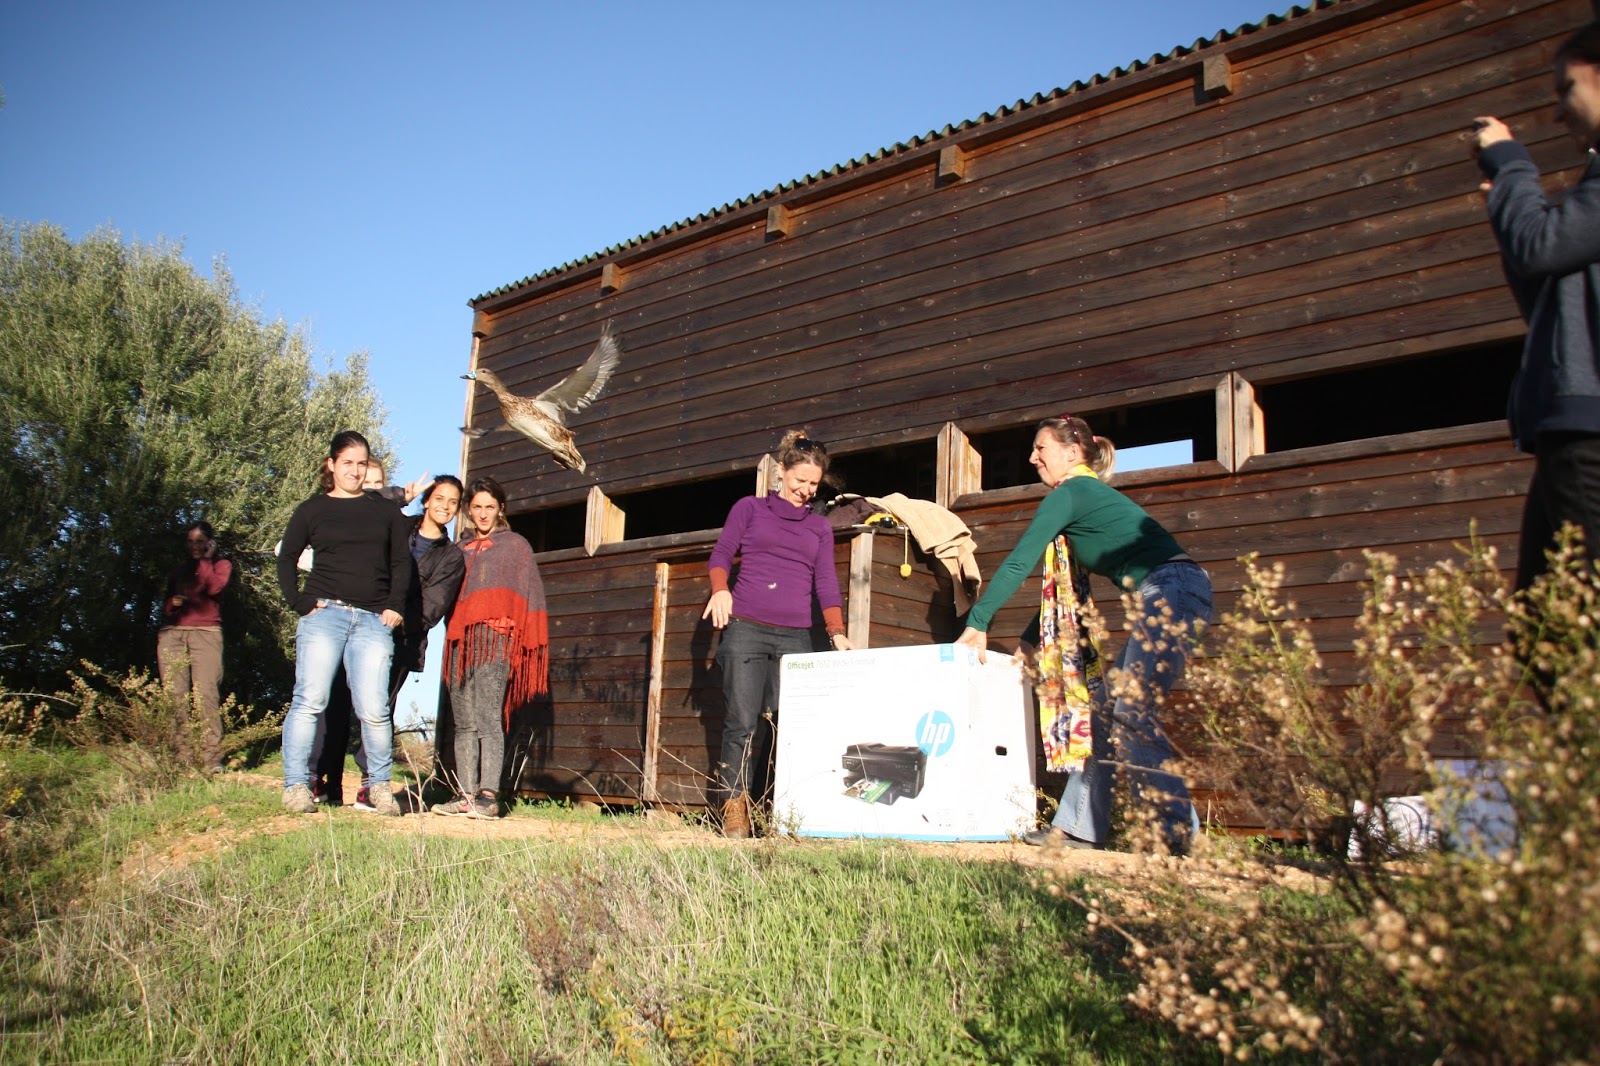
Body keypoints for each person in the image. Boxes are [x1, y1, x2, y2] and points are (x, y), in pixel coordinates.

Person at [955, 415, 1211, 854]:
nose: (1032, 457)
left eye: (1041, 448)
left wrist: (978, 621)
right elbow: (1067, 590)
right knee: (1109, 713)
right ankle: (1078, 828)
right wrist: (1030, 640)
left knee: (1131, 711)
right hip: (1173, 593)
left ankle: (1176, 835)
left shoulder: (1071, 493)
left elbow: (1019, 560)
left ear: (1072, 453)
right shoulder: (1082, 498)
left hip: (1172, 590)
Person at [1471, 21, 1600, 591]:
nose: (1558, 111)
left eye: (1567, 88)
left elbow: (1539, 246)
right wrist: (1508, 211)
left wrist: (1510, 163)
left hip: (1589, 433)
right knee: (1541, 622)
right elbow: (1541, 287)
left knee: (1581, 616)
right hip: (1568, 430)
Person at [702, 431, 853, 839]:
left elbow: (825, 581)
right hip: (747, 630)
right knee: (741, 722)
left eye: (814, 484)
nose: (806, 490)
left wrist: (836, 631)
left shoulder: (819, 528)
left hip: (795, 638)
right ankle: (734, 808)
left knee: (784, 725)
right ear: (781, 471)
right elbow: (721, 554)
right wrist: (721, 590)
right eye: (800, 480)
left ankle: (775, 808)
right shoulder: (749, 509)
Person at [276, 430, 411, 815]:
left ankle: (379, 787)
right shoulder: (312, 510)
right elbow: (286, 557)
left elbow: (401, 562)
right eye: (347, 463)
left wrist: (394, 605)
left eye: (361, 463)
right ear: (331, 465)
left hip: (372, 621)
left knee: (374, 708)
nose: (355, 471)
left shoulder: (385, 512)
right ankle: (296, 786)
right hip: (324, 617)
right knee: (309, 701)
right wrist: (299, 601)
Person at [308, 456, 438, 808]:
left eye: (379, 484)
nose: (373, 490)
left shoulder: (397, 525)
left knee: (375, 710)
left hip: (379, 627)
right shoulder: (336, 518)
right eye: (366, 484)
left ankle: (371, 785)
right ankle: (323, 782)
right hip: (338, 621)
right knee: (330, 706)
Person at [436, 476, 547, 819]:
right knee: (463, 722)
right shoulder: (458, 550)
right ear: (468, 510)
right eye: (477, 507)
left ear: (501, 509)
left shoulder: (515, 546)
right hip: (459, 642)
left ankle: (488, 796)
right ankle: (465, 794)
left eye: (490, 507)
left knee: (487, 717)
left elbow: (527, 591)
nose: (483, 514)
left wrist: (513, 630)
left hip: (495, 641)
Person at [157, 521, 233, 772]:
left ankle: (211, 758)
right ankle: (182, 756)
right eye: (190, 542)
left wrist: (206, 560)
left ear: (210, 543)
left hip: (206, 633)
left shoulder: (221, 566)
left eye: (200, 541)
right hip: (173, 633)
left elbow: (214, 588)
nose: (194, 546)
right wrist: (173, 603)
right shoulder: (179, 570)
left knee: (206, 693)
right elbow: (166, 606)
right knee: (174, 695)